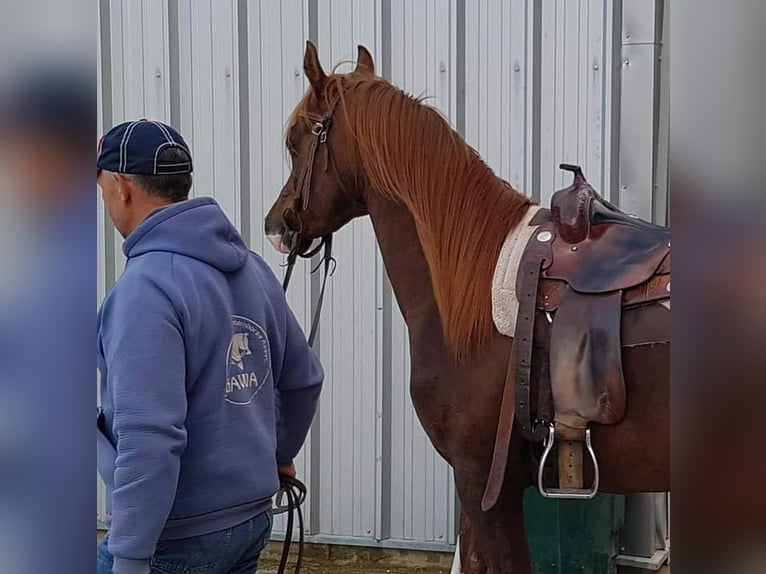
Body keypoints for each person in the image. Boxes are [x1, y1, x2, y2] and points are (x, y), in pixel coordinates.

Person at [96, 119, 323, 574]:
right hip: (248, 522)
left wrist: (130, 558)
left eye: (100, 185)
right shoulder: (254, 271)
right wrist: (278, 455)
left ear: (121, 187)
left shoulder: (146, 289)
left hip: (174, 538)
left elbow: (150, 436)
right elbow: (304, 379)